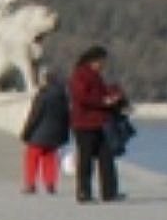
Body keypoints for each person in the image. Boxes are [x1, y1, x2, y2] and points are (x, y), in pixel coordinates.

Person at [66, 44, 127, 203]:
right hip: (84, 124)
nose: (103, 65)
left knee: (107, 158)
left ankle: (109, 192)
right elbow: (82, 97)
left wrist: (115, 97)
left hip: (100, 123)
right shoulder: (80, 75)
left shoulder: (95, 76)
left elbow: (102, 92)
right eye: (101, 61)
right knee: (85, 160)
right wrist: (104, 101)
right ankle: (84, 193)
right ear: (93, 60)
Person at [18, 63, 70, 195]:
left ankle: (30, 184)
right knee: (49, 158)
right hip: (55, 134)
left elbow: (34, 116)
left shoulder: (43, 96)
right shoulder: (63, 96)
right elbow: (66, 116)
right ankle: (50, 184)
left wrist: (26, 132)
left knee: (32, 158)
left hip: (39, 133)